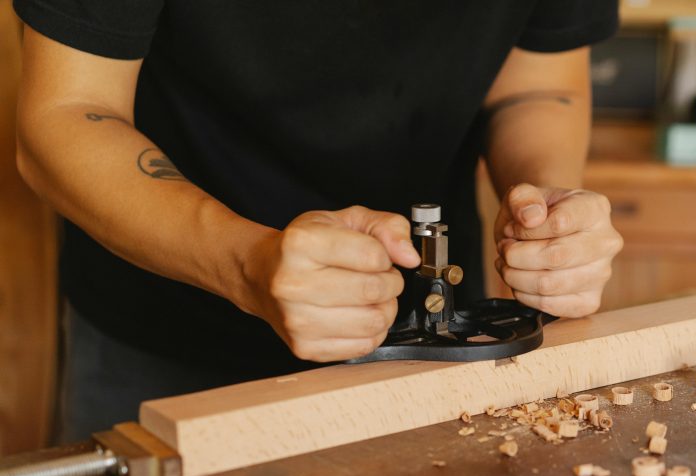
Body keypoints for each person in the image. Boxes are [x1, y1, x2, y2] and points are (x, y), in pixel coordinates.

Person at [14, 1, 624, 442]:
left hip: (429, 339)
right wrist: (248, 263)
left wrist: (546, 212)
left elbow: (539, 83)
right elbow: (69, 111)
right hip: (167, 331)